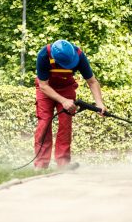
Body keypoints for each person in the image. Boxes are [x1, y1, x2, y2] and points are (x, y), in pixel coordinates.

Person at [34, 39, 106, 170]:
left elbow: (92, 82)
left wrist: (99, 103)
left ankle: (63, 164)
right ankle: (40, 164)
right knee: (44, 122)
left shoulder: (78, 55)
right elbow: (43, 85)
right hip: (46, 90)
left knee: (65, 124)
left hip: (67, 88)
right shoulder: (44, 55)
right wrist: (63, 101)